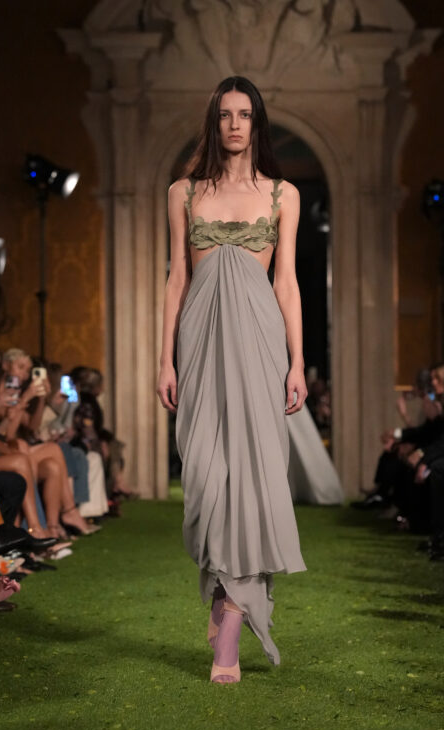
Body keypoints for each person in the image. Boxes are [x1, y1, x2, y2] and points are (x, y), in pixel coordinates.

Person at [157, 76, 307, 684]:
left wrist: (297, 362)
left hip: (261, 344)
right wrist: (164, 360)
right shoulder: (183, 192)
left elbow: (287, 282)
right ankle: (224, 595)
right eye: (225, 115)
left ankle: (230, 626)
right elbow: (176, 279)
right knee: (203, 477)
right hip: (199, 343)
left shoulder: (282, 194)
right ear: (213, 123)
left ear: (257, 122)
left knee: (255, 478)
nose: (235, 125)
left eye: (245, 114)